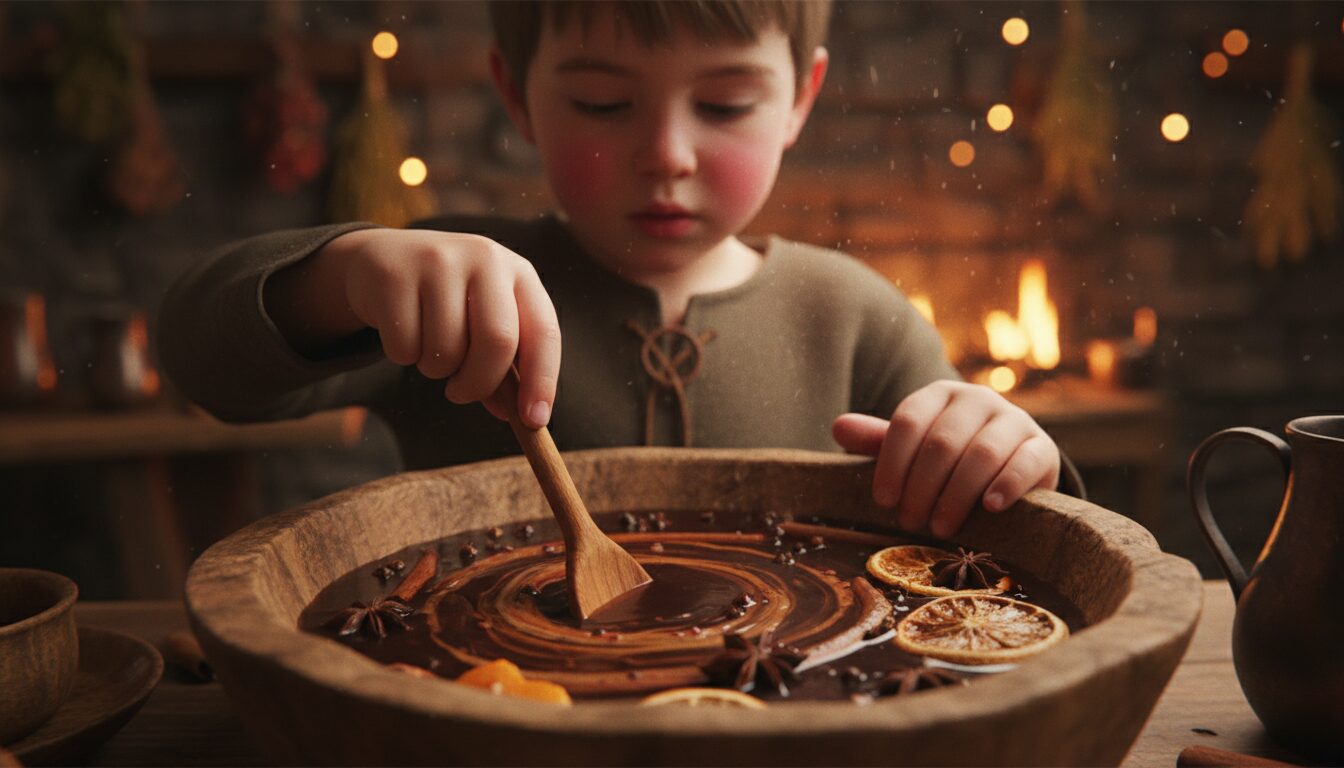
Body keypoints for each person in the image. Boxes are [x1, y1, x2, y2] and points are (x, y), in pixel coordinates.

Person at [159, 0, 1063, 540]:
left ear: (799, 99)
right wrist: (347, 274)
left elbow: (1001, 527)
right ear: (517, 95)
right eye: (602, 102)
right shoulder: (459, 289)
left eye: (724, 103)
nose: (665, 154)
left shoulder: (858, 317)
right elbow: (205, 365)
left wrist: (1006, 452)